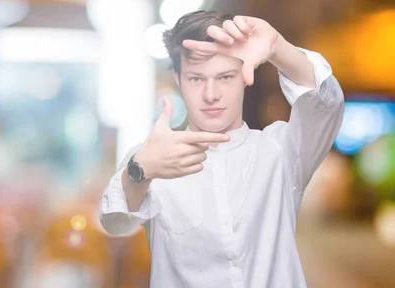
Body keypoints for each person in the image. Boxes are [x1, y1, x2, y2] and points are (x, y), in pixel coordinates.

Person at [98, 10, 344, 288]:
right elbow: (115, 222)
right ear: (178, 79)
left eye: (225, 77)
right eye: (196, 79)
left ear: (243, 74)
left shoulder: (280, 150)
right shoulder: (154, 156)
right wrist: (140, 171)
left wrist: (277, 48)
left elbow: (326, 104)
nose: (211, 93)